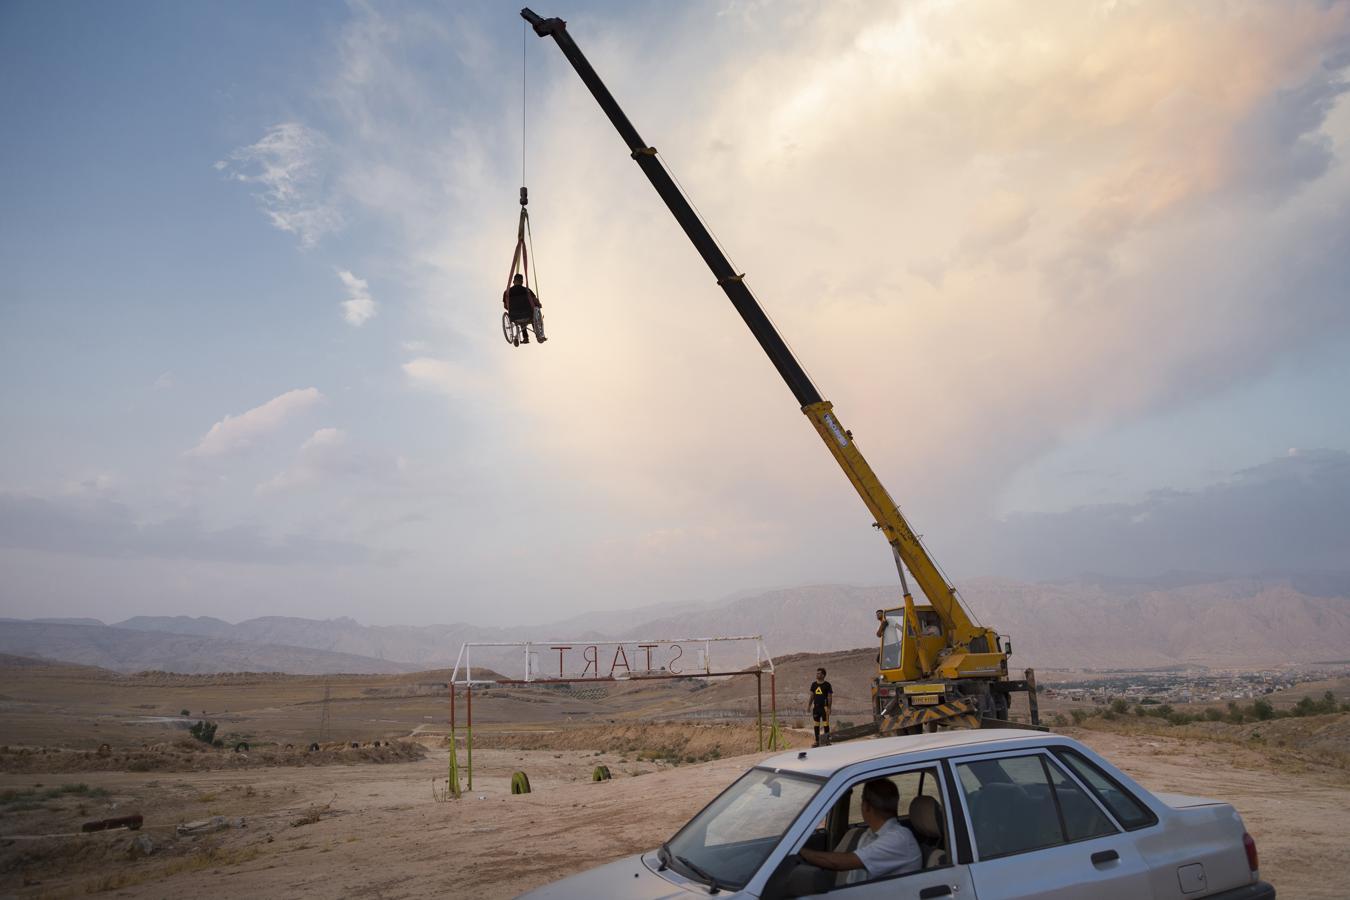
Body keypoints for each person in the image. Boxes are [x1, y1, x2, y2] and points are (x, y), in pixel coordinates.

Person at [799, 779, 921, 885]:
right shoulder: (870, 834)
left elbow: (837, 863)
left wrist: (800, 851)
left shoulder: (899, 839)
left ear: (866, 806)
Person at [503, 273, 546, 343]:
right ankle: (538, 336)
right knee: (533, 315)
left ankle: (525, 338)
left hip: (514, 316)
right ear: (522, 282)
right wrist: (539, 305)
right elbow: (535, 301)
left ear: (513, 281)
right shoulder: (527, 290)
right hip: (528, 314)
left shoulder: (506, 293)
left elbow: (505, 306)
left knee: (521, 321)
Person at [808, 667, 832, 747]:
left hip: (824, 708)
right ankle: (817, 741)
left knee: (826, 724)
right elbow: (811, 696)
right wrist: (809, 706)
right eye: (817, 673)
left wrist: (829, 708)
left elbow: (829, 697)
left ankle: (827, 741)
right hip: (816, 708)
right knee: (816, 725)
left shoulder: (827, 685)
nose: (817, 674)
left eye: (819, 673)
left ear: (823, 675)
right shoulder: (814, 684)